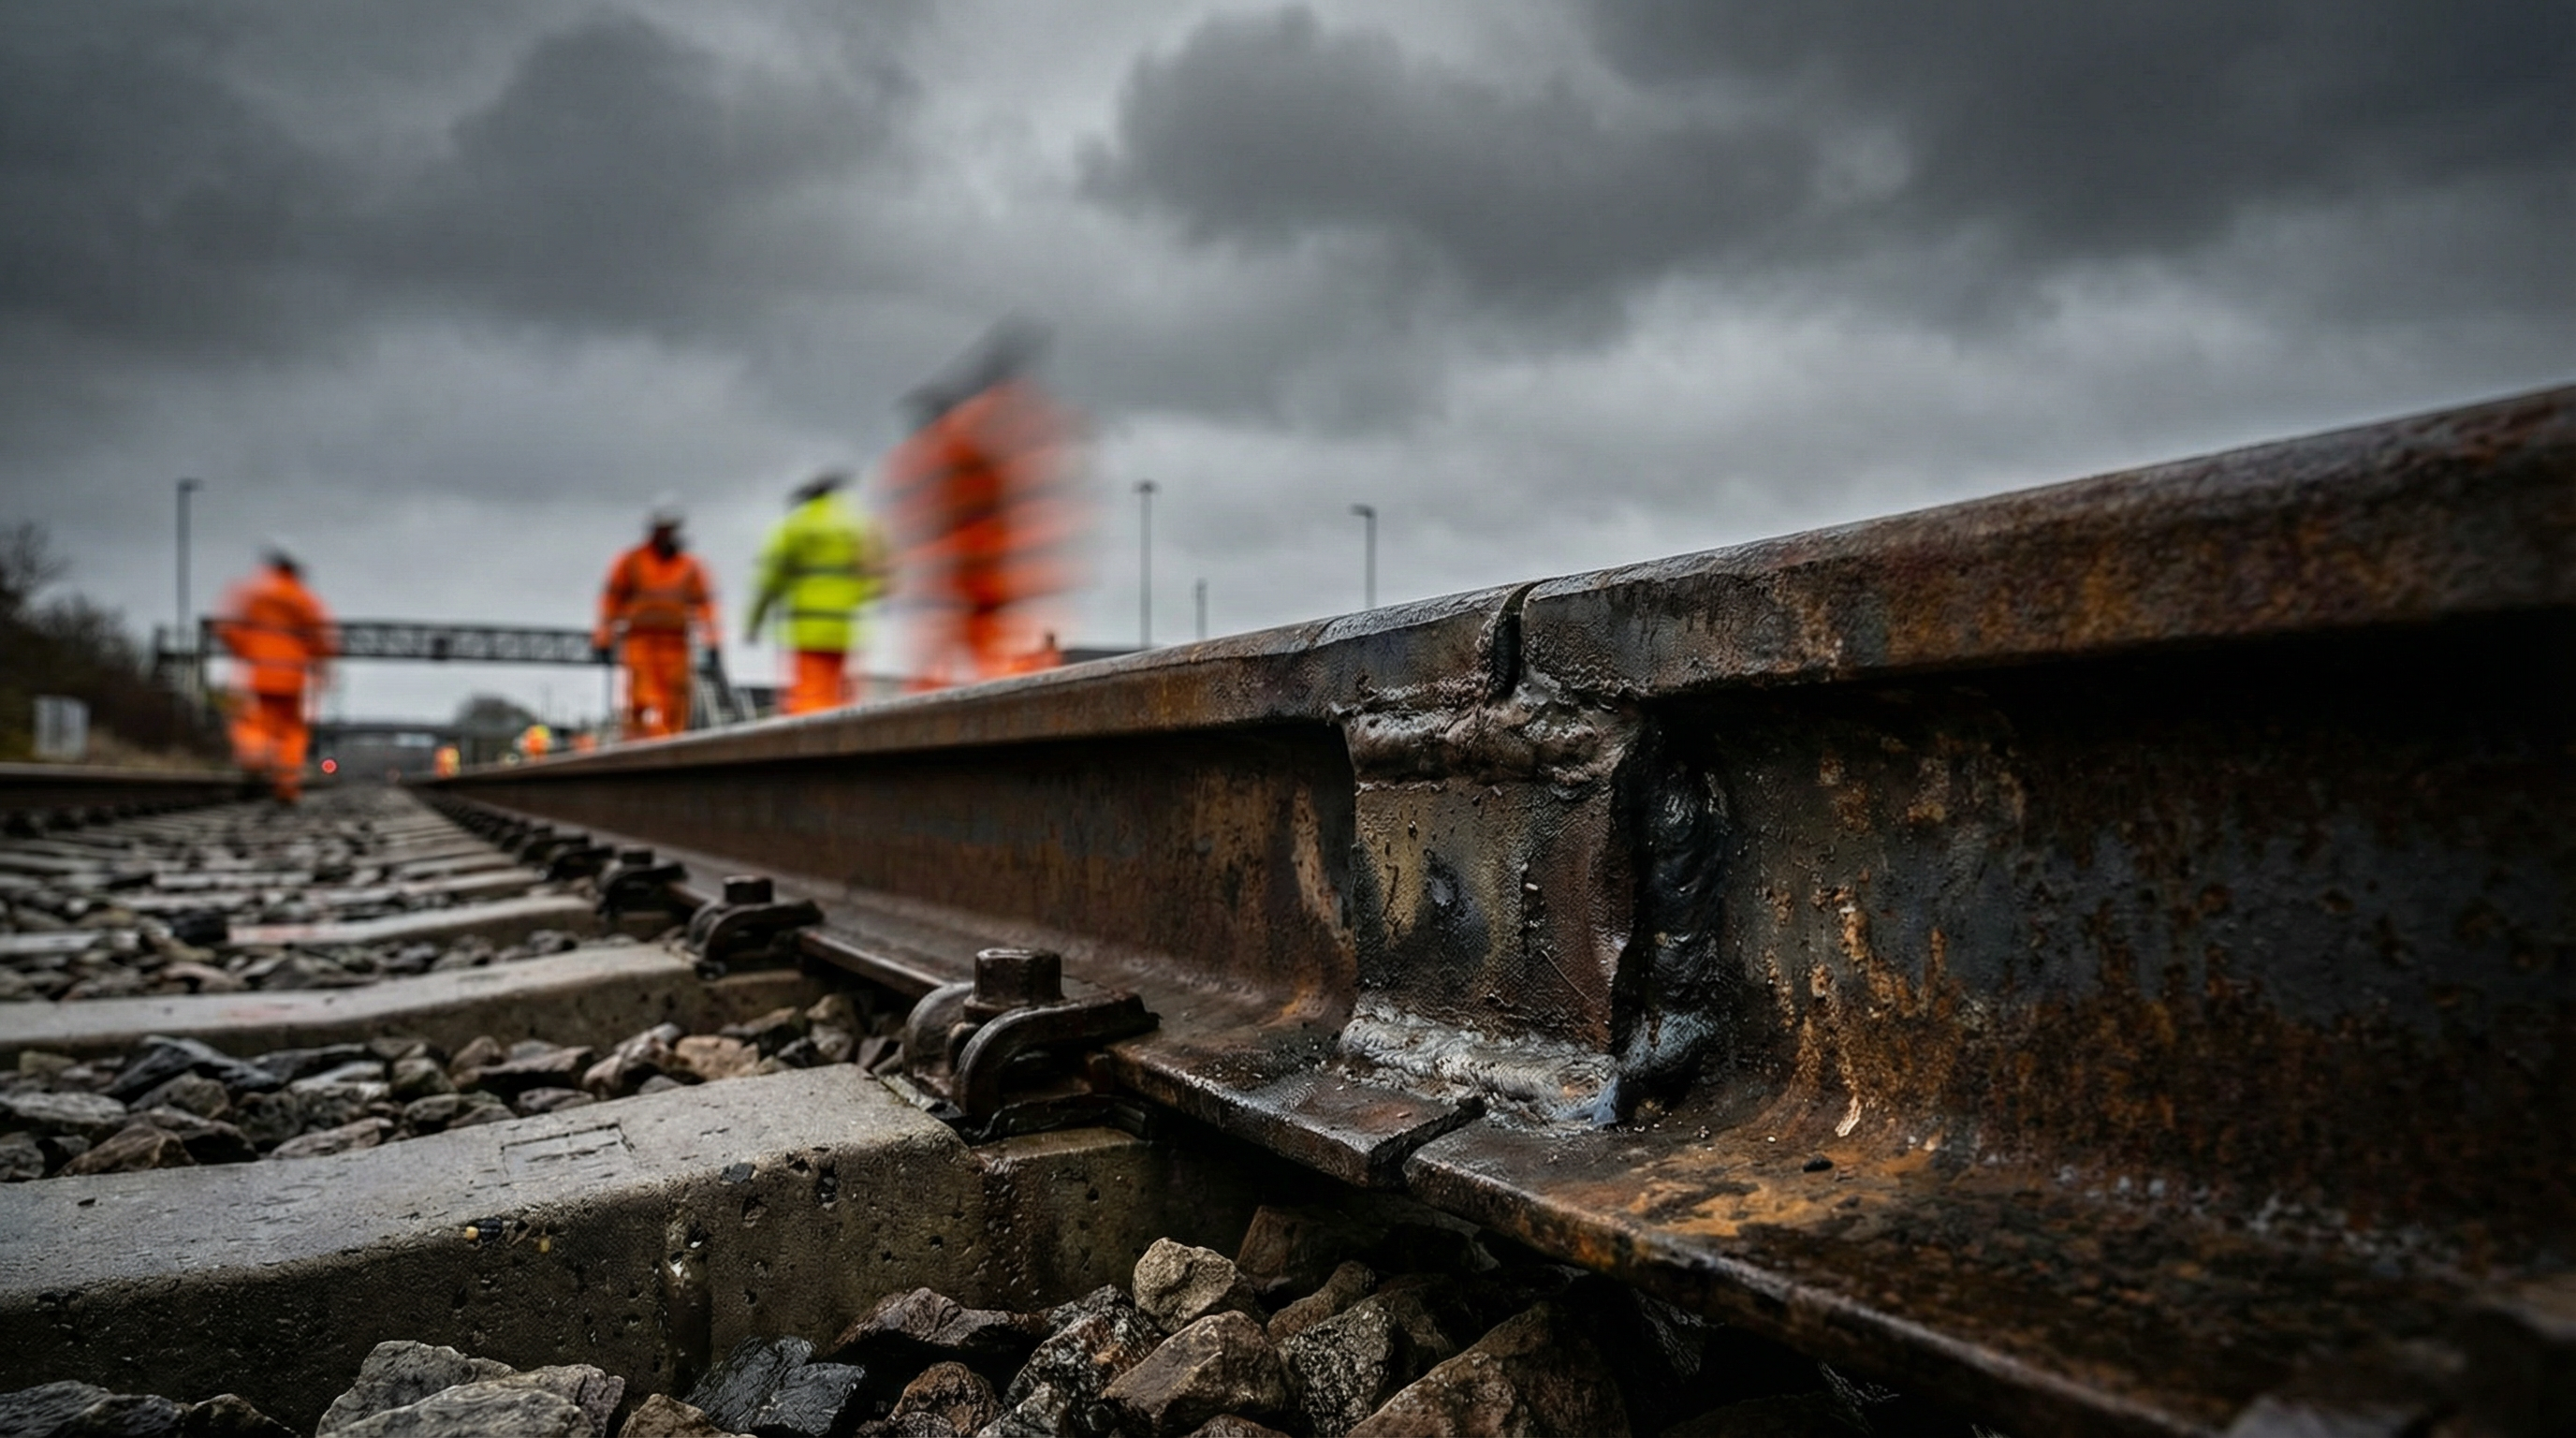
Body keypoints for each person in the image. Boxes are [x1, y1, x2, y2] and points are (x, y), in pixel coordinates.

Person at [884, 320, 1083, 689]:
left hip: (973, 583)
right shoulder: (962, 451)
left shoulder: (954, 453)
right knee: (977, 660)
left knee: (964, 660)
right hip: (975, 583)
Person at [747, 473, 886, 715]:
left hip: (807, 629)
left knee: (811, 694)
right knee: (839, 691)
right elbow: (878, 575)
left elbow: (769, 581)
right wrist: (855, 596)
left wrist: (755, 622)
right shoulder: (856, 525)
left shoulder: (795, 527)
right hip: (844, 628)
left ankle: (813, 737)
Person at [214, 538, 334, 802]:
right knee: (291, 730)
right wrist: (322, 670)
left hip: (259, 674)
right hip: (292, 677)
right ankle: (287, 785)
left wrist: (246, 649)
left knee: (255, 722)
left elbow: (227, 628)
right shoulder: (304, 599)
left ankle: (255, 757)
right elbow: (323, 640)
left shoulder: (253, 594)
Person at [593, 497, 718, 741]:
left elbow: (706, 606)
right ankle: (638, 747)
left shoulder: (690, 567)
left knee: (676, 698)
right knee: (640, 697)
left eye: (670, 529)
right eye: (662, 529)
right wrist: (604, 639)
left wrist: (712, 642)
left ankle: (672, 746)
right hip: (640, 642)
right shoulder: (631, 562)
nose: (666, 534)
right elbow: (611, 602)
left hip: (676, 643)